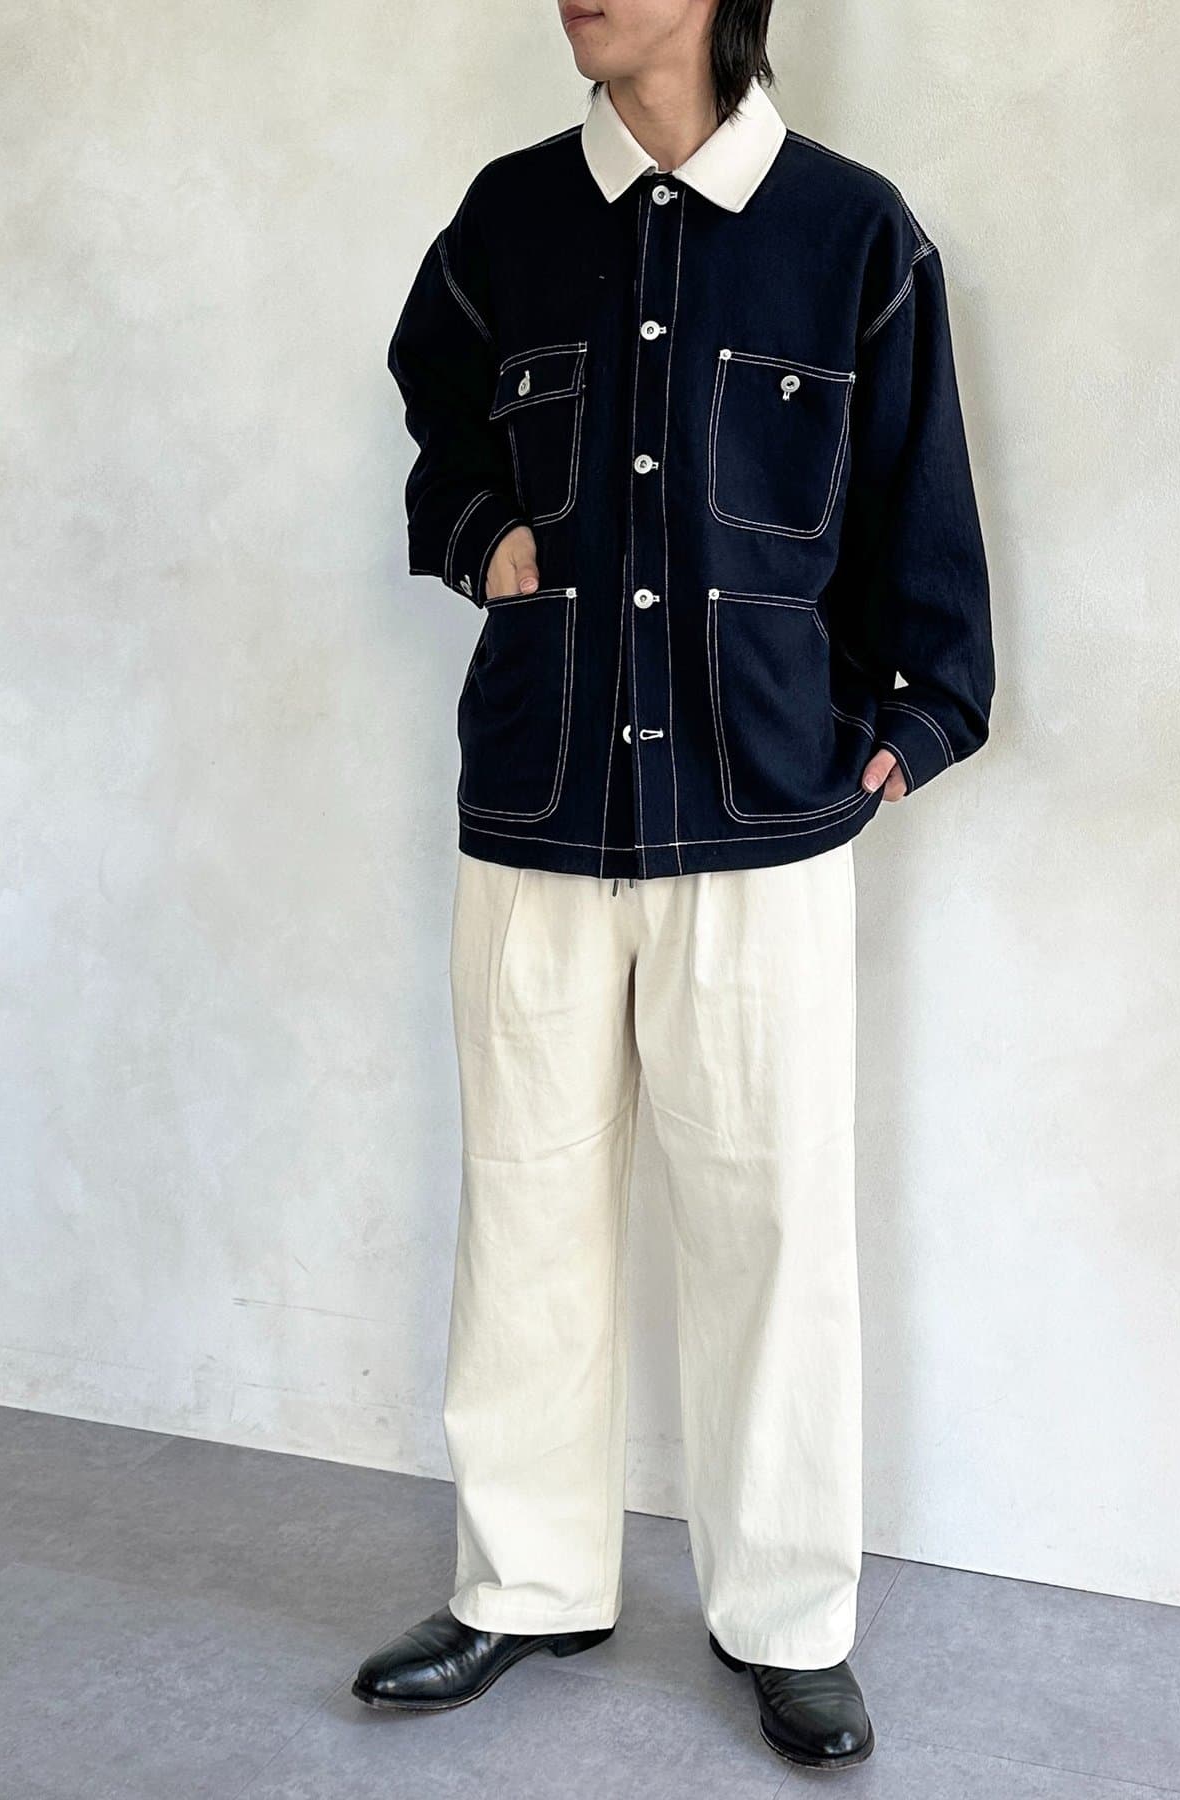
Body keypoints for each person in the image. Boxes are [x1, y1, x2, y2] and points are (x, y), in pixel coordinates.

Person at [354, 0, 993, 1771]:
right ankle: (524, 1585)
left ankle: (788, 1620)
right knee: (524, 1209)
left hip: (761, 818)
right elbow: (436, 405)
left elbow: (917, 497)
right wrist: (483, 536)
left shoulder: (851, 234)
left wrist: (912, 721)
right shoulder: (507, 219)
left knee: (773, 1227)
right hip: (540, 805)